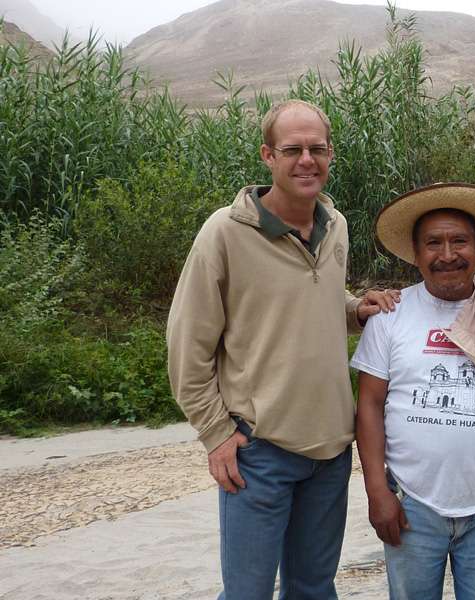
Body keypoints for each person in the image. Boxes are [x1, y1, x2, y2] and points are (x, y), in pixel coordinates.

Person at [166, 99, 399, 600]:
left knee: (314, 589)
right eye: (292, 149)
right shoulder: (225, 233)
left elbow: (313, 294)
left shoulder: (334, 226)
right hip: (259, 450)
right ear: (267, 156)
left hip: (332, 450)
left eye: (317, 148)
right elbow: (187, 346)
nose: (306, 160)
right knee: (248, 593)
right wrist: (216, 433)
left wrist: (356, 309)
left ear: (331, 153)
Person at [351, 183, 475, 600]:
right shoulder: (391, 315)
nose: (447, 255)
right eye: (433, 243)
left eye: (459, 241)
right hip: (410, 504)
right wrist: (376, 491)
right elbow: (369, 405)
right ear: (416, 252)